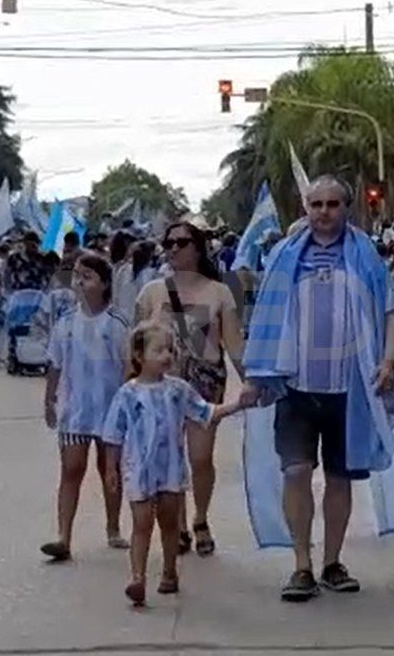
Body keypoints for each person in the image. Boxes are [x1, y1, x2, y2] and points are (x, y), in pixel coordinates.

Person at [240, 174, 394, 602]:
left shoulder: (365, 256)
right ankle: (301, 565)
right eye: (317, 205)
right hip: (295, 388)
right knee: (295, 472)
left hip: (349, 388)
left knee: (338, 478)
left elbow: (391, 312)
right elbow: (263, 318)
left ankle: (332, 562)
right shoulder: (282, 256)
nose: (324, 212)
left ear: (346, 208)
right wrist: (257, 373)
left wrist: (387, 361)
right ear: (305, 207)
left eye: (333, 204)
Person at [101, 321, 241, 606]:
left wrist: (239, 404)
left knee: (168, 523)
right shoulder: (127, 394)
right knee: (141, 524)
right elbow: (113, 435)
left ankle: (169, 572)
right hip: (139, 471)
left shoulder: (179, 390)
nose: (167, 355)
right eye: (159, 350)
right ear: (139, 356)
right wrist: (110, 468)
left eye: (170, 349)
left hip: (171, 472)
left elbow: (206, 413)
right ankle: (137, 578)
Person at [135, 221, 244, 558]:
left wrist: (253, 381)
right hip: (162, 384)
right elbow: (137, 343)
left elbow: (234, 343)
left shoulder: (219, 291)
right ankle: (178, 524)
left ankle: (201, 518)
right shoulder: (151, 292)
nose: (173, 248)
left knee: (200, 456)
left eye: (181, 242)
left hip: (205, 380)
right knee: (171, 455)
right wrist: (129, 382)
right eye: (168, 242)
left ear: (197, 247)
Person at [39, 253, 131, 562]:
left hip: (111, 410)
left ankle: (113, 527)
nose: (80, 282)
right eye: (77, 276)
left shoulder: (118, 323)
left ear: (104, 284)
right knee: (71, 469)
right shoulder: (66, 322)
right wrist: (49, 400)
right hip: (75, 411)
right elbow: (55, 364)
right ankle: (63, 535)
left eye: (87, 277)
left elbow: (129, 366)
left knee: (110, 469)